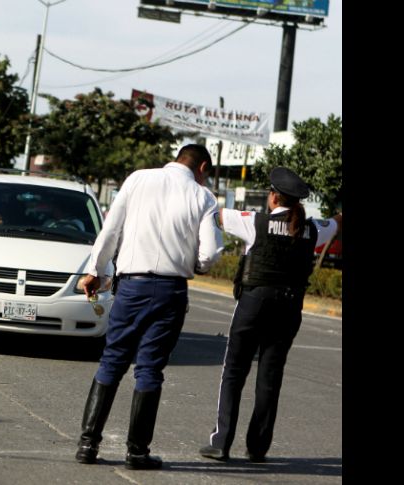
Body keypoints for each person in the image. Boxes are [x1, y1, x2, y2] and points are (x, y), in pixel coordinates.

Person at [75, 144, 223, 470]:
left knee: (112, 360)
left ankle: (88, 444)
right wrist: (196, 264)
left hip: (131, 286)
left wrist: (95, 272)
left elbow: (111, 230)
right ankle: (137, 452)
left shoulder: (138, 179)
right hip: (170, 291)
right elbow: (210, 254)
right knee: (150, 368)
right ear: (201, 168)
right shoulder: (203, 198)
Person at [198, 167, 342, 463]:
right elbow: (337, 224)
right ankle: (258, 447)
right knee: (270, 377)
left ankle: (221, 442)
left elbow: (217, 213)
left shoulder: (254, 222)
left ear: (274, 197)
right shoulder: (313, 229)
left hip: (254, 304)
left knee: (234, 371)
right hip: (289, 308)